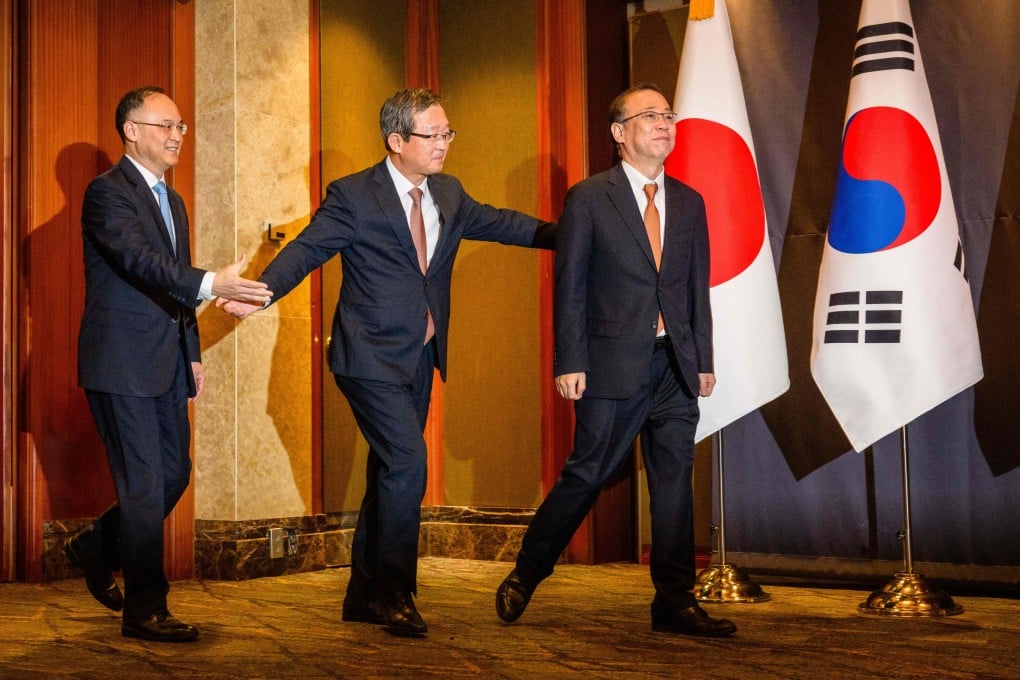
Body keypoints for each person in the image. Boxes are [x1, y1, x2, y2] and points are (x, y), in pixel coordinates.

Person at [221, 88, 554, 638]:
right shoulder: (354, 196)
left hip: (420, 357)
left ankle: (362, 594)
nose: (445, 143)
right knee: (407, 464)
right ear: (397, 142)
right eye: (434, 135)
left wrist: (575, 235)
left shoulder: (447, 191)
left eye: (449, 133)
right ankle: (396, 594)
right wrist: (262, 292)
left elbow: (502, 224)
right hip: (368, 358)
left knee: (388, 474)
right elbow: (307, 250)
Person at [495, 83, 736, 637]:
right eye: (648, 115)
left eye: (668, 115)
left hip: (674, 366)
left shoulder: (691, 202)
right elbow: (570, 284)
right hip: (608, 366)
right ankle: (528, 572)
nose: (663, 123)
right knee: (587, 475)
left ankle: (674, 601)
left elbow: (696, 288)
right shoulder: (589, 198)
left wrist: (702, 356)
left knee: (674, 483)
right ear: (618, 133)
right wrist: (569, 360)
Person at [68, 85, 273, 642]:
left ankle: (95, 545)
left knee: (173, 475)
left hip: (165, 359)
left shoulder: (173, 201)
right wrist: (213, 282)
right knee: (142, 483)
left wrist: (193, 353)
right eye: (165, 125)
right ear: (131, 130)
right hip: (120, 360)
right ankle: (145, 609)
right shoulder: (106, 194)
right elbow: (140, 261)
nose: (177, 135)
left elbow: (170, 283)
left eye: (181, 126)